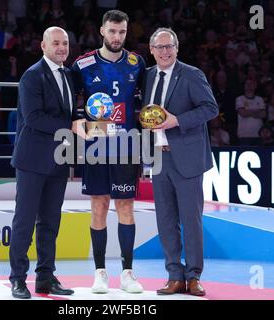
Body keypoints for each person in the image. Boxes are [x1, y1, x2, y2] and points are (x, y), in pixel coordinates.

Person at [71, 10, 146, 294]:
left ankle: (127, 272)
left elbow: (148, 102)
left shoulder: (136, 63)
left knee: (125, 206)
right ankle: (100, 272)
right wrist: (76, 122)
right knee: (99, 206)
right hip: (96, 145)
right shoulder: (83, 64)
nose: (117, 37)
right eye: (112, 31)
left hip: (126, 145)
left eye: (122, 32)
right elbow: (69, 102)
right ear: (102, 30)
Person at [9, 26, 85, 299]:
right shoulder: (32, 76)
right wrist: (72, 126)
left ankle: (45, 278)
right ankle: (17, 278)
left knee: (50, 222)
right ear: (43, 46)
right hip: (32, 160)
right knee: (25, 222)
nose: (62, 47)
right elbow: (34, 118)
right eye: (56, 43)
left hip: (58, 160)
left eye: (65, 43)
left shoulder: (68, 74)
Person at [143, 28, 218, 296]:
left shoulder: (192, 74)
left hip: (187, 158)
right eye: (159, 47)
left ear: (177, 48)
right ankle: (174, 275)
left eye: (169, 46)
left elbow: (210, 108)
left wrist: (177, 120)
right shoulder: (148, 76)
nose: (165, 51)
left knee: (191, 219)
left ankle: (194, 276)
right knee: (165, 219)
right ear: (151, 50)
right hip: (158, 158)